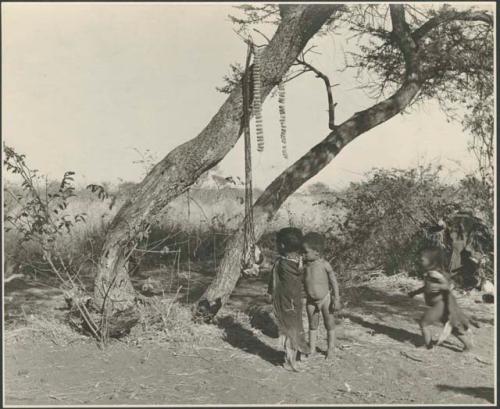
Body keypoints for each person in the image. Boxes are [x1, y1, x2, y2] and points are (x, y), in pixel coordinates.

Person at [409, 246, 473, 352]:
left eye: (422, 260)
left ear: (431, 261)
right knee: (450, 326)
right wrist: (414, 292)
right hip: (439, 305)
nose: (420, 261)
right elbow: (426, 287)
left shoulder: (437, 274)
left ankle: (428, 346)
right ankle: (468, 345)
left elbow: (449, 286)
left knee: (424, 323)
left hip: (440, 304)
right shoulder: (430, 273)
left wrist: (439, 287)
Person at [267, 227, 310, 371]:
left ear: (282, 246)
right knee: (297, 325)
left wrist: (269, 294)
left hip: (285, 301)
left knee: (287, 328)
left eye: (277, 243)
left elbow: (273, 280)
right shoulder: (300, 262)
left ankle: (290, 362)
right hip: (296, 301)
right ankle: (301, 354)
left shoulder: (281, 263)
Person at [302, 232, 341, 359]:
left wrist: (337, 298)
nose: (303, 254)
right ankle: (312, 349)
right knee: (312, 324)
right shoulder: (305, 265)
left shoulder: (324, 264)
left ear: (317, 252)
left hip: (325, 299)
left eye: (306, 252)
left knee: (329, 323)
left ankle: (330, 349)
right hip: (310, 301)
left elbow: (333, 281)